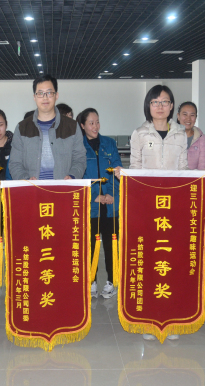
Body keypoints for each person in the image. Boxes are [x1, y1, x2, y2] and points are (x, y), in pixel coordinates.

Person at [129, 85, 187, 341]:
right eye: (155, 102)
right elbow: (135, 167)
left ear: (172, 106)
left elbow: (183, 169)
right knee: (150, 261)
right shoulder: (140, 133)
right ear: (148, 106)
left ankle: (171, 318)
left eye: (165, 102)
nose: (160, 106)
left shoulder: (180, 134)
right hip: (147, 207)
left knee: (172, 262)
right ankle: (149, 318)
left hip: (173, 208)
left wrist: (201, 176)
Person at [77, 108, 121, 299]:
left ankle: (112, 281)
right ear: (82, 125)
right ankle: (91, 281)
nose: (95, 126)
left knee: (111, 245)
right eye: (91, 123)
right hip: (91, 205)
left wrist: (110, 193)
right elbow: (79, 175)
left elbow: (117, 170)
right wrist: (95, 196)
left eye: (97, 122)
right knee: (90, 245)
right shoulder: (78, 147)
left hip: (110, 205)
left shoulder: (109, 144)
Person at [9, 75, 86, 181]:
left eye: (49, 93)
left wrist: (73, 176)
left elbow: (80, 159)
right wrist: (25, 180)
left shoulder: (72, 126)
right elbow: (15, 163)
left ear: (56, 95)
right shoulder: (22, 128)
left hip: (63, 188)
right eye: (40, 93)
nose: (45, 97)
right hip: (32, 189)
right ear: (34, 97)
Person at [177, 101, 205, 170]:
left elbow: (203, 166)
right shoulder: (170, 136)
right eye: (185, 114)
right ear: (178, 116)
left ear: (196, 118)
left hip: (195, 177)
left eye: (192, 115)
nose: (188, 118)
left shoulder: (201, 138)